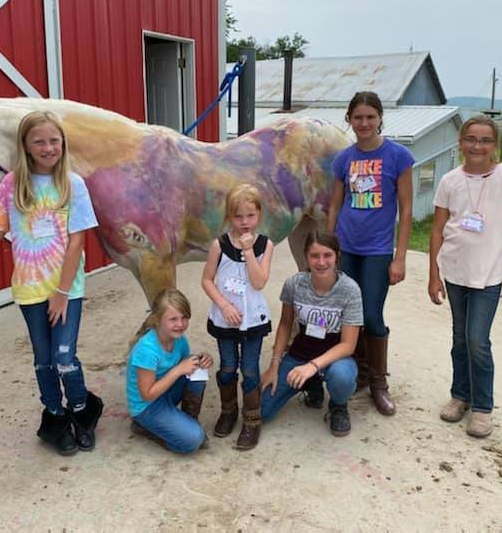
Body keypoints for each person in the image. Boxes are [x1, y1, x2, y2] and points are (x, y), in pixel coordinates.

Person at [0, 110, 103, 456]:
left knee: (65, 357)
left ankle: (82, 410)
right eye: (39, 141)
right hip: (29, 289)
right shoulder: (12, 184)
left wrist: (62, 294)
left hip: (67, 289)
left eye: (54, 140)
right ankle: (55, 417)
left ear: (62, 143)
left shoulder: (73, 184)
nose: (48, 147)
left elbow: (78, 243)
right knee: (43, 360)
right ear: (25, 145)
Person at [428, 115, 502, 438]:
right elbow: (437, 229)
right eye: (471, 139)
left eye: (485, 140)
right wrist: (434, 273)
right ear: (461, 143)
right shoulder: (450, 181)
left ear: (494, 144)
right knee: (459, 339)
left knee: (477, 341)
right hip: (455, 271)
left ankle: (483, 407)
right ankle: (461, 396)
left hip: (489, 275)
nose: (478, 146)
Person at [327, 91, 414, 416]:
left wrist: (400, 256)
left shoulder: (398, 156)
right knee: (350, 314)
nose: (364, 123)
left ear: (380, 119)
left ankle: (379, 382)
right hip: (347, 247)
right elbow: (335, 204)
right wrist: (330, 247)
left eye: (370, 117)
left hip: (378, 250)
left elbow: (406, 210)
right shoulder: (343, 159)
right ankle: (359, 374)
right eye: (358, 117)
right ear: (349, 120)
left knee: (373, 315)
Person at [259, 231, 363, 436]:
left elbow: (348, 345)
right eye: (315, 255)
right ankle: (311, 383)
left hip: (335, 357)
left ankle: (338, 405)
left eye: (327, 255)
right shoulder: (294, 284)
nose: (321, 262)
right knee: (261, 410)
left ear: (337, 256)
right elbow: (285, 324)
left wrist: (313, 366)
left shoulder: (350, 290)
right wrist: (274, 364)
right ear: (306, 256)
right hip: (300, 354)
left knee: (342, 377)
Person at [201, 184, 273, 450]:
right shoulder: (218, 246)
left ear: (259, 216)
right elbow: (207, 280)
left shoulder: (266, 245)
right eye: (238, 216)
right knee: (229, 366)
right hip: (226, 319)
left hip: (253, 320)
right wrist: (223, 305)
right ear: (229, 217)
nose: (244, 222)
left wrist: (248, 251)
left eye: (250, 216)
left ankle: (252, 420)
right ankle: (228, 410)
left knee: (250, 369)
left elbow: (259, 281)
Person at [126, 288, 214, 453]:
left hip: (165, 392)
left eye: (184, 318)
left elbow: (186, 366)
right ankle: (146, 427)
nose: (180, 324)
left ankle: (189, 420)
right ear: (157, 319)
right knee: (193, 441)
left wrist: (202, 359)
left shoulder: (179, 339)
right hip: (147, 406)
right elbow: (147, 394)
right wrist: (180, 369)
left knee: (197, 373)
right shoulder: (147, 349)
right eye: (173, 319)